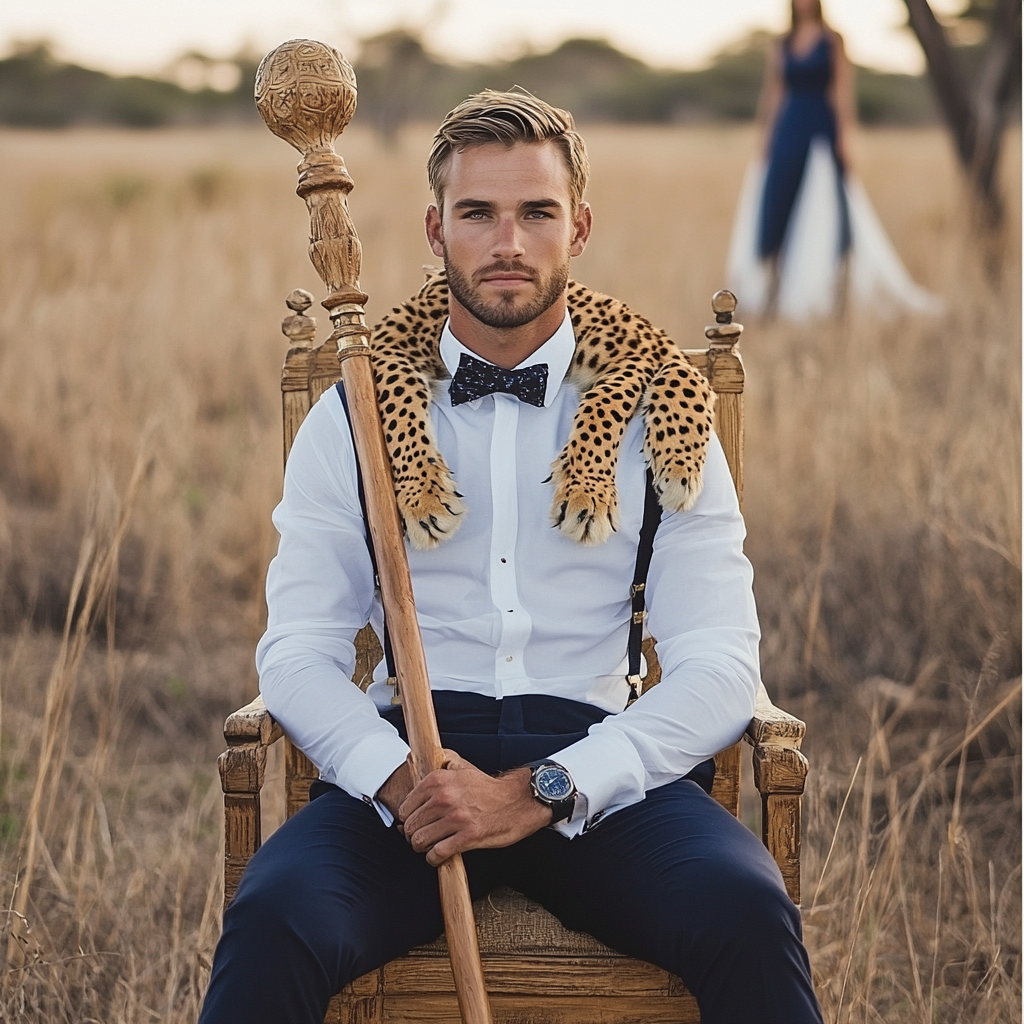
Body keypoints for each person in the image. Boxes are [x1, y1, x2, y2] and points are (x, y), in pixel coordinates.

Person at [199, 89, 824, 1024]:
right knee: (276, 920)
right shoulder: (354, 416)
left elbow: (723, 665)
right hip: (410, 768)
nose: (507, 242)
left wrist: (542, 788)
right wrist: (403, 778)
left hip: (601, 773)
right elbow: (296, 647)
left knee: (745, 910)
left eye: (535, 213)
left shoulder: (665, 415)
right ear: (433, 226)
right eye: (478, 213)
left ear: (577, 226)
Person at [727, 0, 943, 319]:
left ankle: (826, 291)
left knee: (823, 208)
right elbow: (775, 93)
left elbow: (840, 92)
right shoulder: (782, 43)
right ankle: (773, 288)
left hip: (820, 130)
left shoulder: (833, 40)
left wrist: (845, 135)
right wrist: (765, 136)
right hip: (788, 131)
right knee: (776, 208)